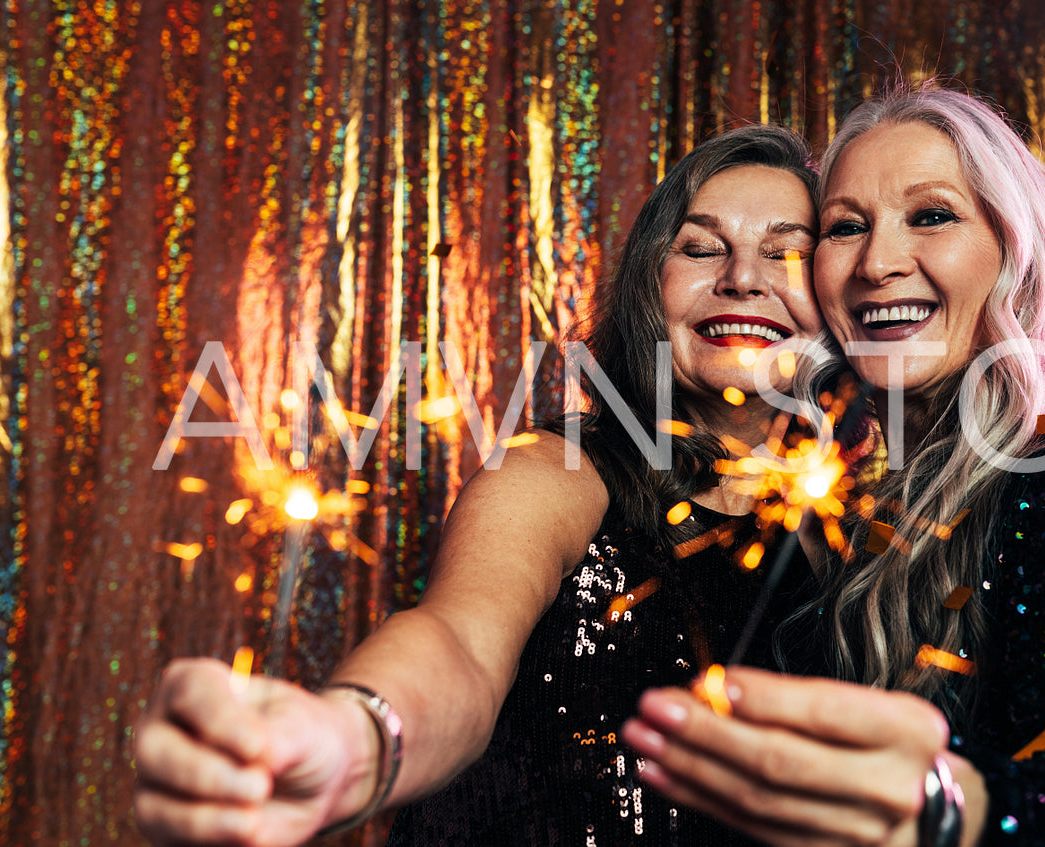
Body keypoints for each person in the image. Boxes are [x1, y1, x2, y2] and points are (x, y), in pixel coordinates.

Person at [132, 125, 825, 846]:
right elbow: (459, 641)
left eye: (788, 251)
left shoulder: (866, 536)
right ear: (652, 284)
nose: (743, 277)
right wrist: (351, 737)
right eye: (699, 246)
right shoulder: (554, 472)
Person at [623, 84, 1045, 846]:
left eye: (931, 216)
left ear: (1009, 252)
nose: (878, 262)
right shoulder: (793, 498)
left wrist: (943, 807)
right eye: (845, 227)